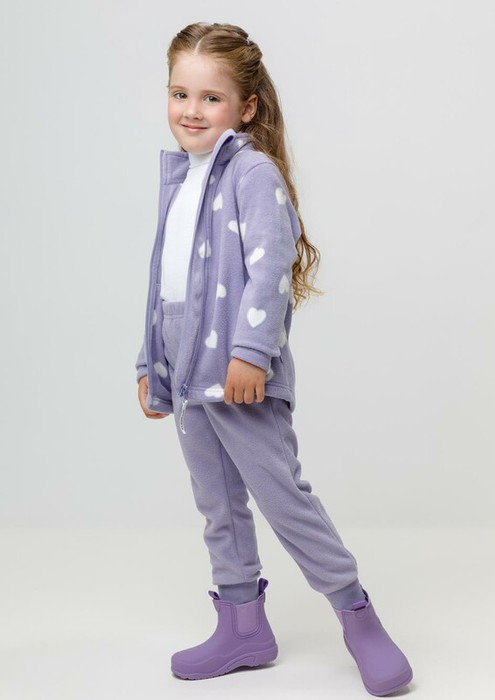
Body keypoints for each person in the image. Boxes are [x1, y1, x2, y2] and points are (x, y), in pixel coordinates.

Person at [135, 21, 413, 696]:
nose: (191, 111)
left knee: (281, 496)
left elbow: (269, 268)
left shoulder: (252, 173)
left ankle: (357, 616)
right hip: (185, 367)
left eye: (210, 98)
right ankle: (242, 626)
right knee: (217, 502)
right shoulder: (182, 176)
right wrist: (150, 362)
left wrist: (250, 351)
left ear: (246, 107)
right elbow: (166, 279)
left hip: (237, 370)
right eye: (179, 93)